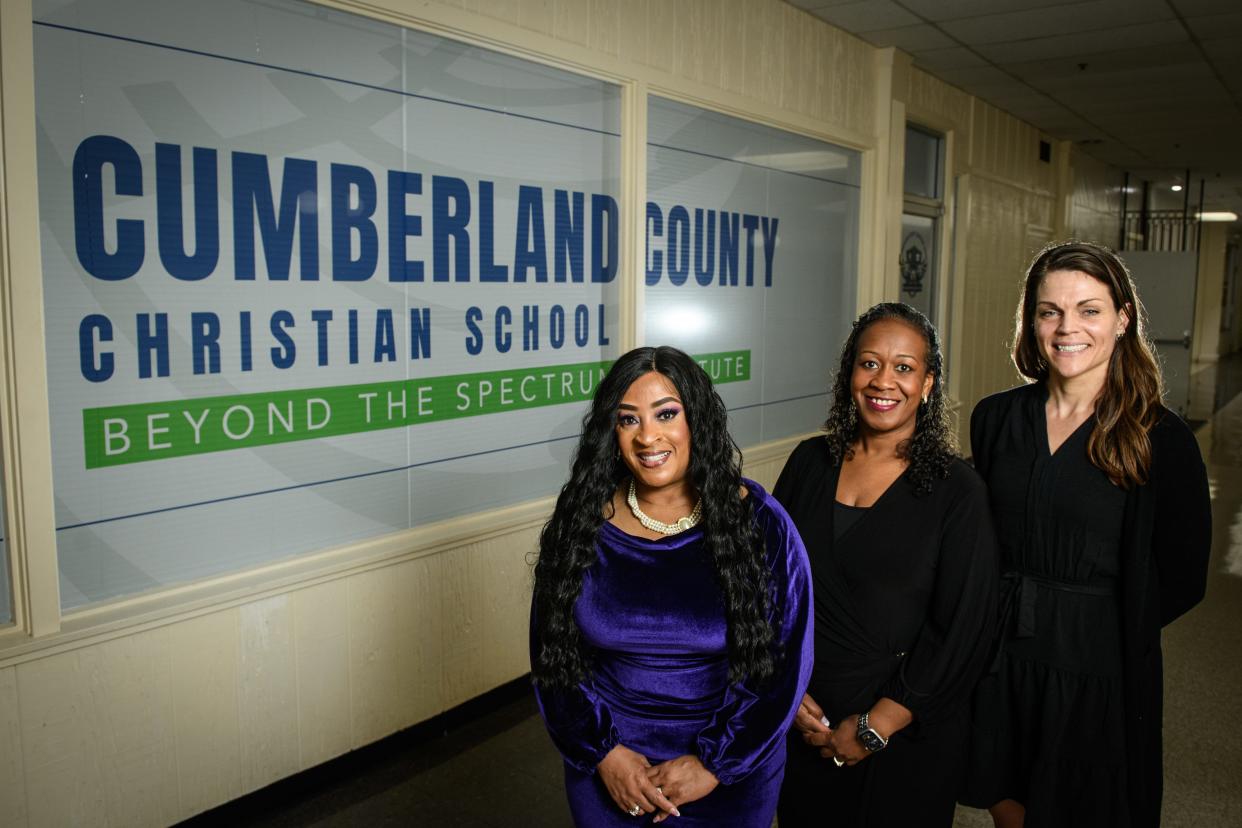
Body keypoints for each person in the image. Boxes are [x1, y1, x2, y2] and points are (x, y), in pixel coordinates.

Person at [960, 241, 1212, 828]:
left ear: (1124, 319)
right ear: (1032, 321)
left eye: (1089, 310)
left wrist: (1105, 625)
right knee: (1008, 801)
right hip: (1003, 654)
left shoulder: (1159, 436)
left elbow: (1183, 575)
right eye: (1050, 311)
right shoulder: (997, 418)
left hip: (1097, 665)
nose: (1067, 327)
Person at [530, 345, 813, 827]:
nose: (648, 437)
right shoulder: (579, 524)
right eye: (628, 420)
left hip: (729, 772)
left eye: (666, 414)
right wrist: (604, 755)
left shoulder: (761, 525)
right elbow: (553, 657)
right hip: (612, 771)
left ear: (696, 421)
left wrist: (714, 764)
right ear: (611, 433)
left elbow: (783, 668)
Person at [775, 302, 998, 827]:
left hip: (904, 730)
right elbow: (769, 587)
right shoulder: (809, 463)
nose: (884, 381)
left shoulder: (956, 491)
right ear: (849, 372)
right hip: (804, 720)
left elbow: (965, 628)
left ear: (927, 384)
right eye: (869, 363)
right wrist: (786, 690)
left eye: (904, 367)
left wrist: (876, 726)